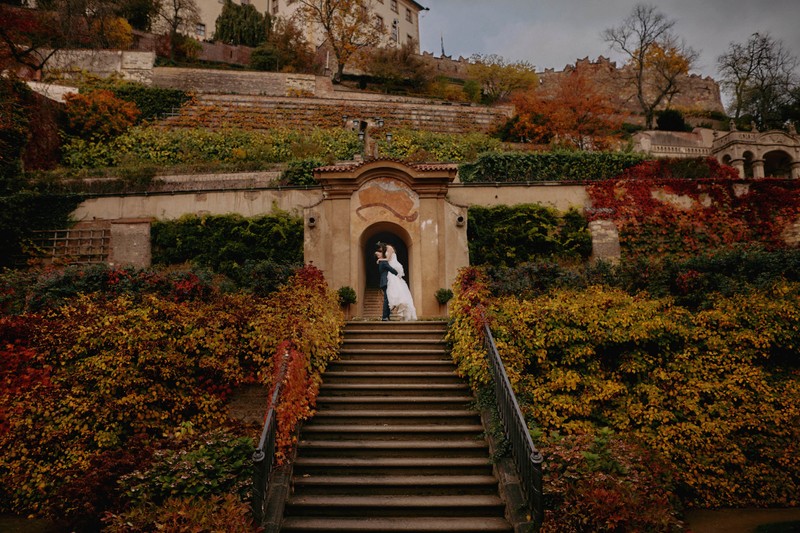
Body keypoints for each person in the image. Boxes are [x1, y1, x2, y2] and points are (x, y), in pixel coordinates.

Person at [382, 243, 417, 321]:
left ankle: (396, 301)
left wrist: (379, 259)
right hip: (390, 269)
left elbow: (388, 259)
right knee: (393, 287)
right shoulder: (387, 249)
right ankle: (394, 302)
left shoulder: (389, 247)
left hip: (392, 267)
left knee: (395, 285)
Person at [375, 246, 397, 321]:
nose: (379, 255)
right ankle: (384, 317)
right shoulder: (383, 262)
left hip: (384, 282)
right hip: (385, 282)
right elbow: (391, 269)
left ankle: (387, 316)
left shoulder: (381, 262)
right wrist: (398, 272)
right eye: (378, 255)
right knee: (386, 299)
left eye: (379, 254)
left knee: (387, 299)